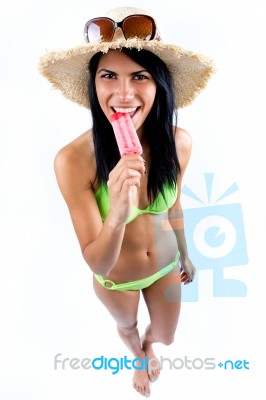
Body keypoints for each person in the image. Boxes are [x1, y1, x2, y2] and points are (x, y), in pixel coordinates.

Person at [39, 6, 214, 397]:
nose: (123, 94)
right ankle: (137, 356)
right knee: (128, 328)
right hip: (115, 278)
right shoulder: (73, 160)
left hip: (167, 265)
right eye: (108, 76)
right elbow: (96, 259)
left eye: (139, 76)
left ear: (160, 85)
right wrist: (117, 213)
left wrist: (185, 255)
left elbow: (174, 206)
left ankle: (151, 349)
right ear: (93, 85)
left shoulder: (179, 142)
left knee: (165, 337)